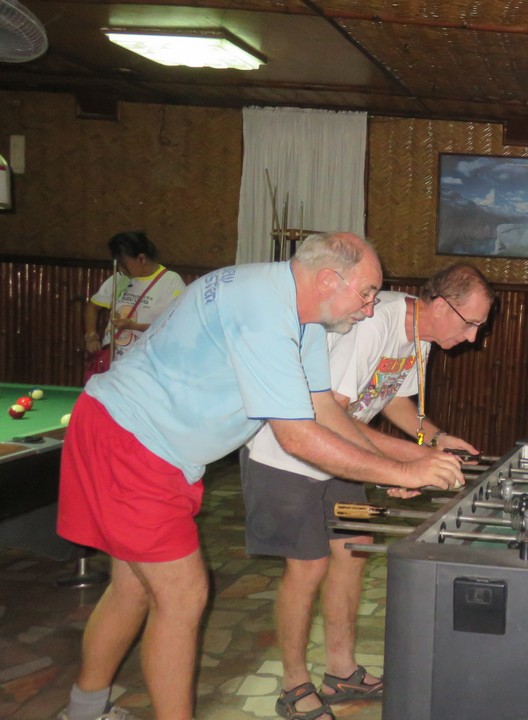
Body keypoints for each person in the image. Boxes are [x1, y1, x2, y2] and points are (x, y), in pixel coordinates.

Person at [56, 232, 465, 720]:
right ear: (328, 280)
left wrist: (415, 460)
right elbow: (298, 438)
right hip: (131, 442)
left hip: (148, 444)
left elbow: (326, 413)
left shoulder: (303, 316)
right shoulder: (265, 313)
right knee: (183, 596)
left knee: (133, 588)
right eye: (367, 293)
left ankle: (82, 711)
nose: (371, 308)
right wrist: (401, 469)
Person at [241, 263, 495, 720]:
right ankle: (293, 686)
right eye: (470, 323)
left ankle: (341, 672)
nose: (474, 337)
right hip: (289, 451)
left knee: (354, 547)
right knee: (308, 566)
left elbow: (392, 398)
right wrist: (398, 468)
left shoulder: (421, 334)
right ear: (440, 305)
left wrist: (435, 439)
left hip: (341, 451)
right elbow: (331, 414)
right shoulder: (376, 323)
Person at [83, 231, 186, 362]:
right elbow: (93, 306)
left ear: (141, 259)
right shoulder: (120, 278)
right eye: (118, 264)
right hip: (113, 361)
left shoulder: (171, 281)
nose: (120, 269)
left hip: (146, 362)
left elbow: (176, 325)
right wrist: (91, 335)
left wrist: (134, 326)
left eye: (123, 264)